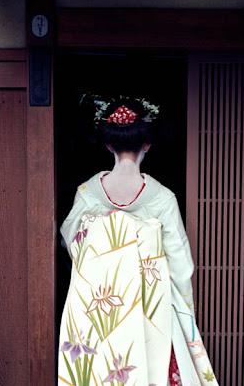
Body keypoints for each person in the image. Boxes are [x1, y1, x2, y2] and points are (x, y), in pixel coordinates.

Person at [58, 95, 217, 386]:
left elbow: (70, 239)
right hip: (151, 301)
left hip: (99, 302)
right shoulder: (162, 197)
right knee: (151, 367)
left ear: (108, 145)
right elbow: (180, 263)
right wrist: (185, 310)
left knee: (99, 370)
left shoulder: (87, 193)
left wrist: (104, 258)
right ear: (147, 145)